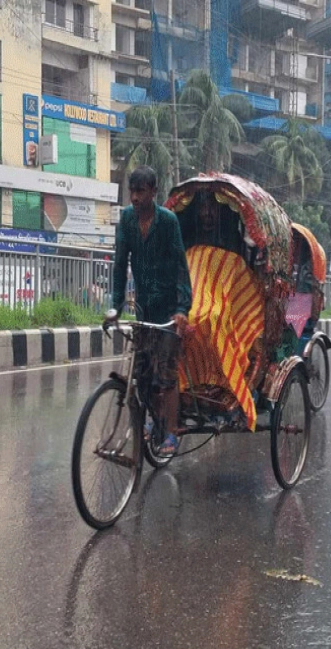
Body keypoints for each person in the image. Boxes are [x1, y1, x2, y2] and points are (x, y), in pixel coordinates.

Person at [109, 165, 192, 457]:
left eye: (140, 191)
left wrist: (182, 308)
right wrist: (115, 306)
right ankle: (148, 420)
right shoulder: (127, 220)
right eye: (131, 191)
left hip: (169, 310)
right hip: (143, 308)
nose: (134, 197)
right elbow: (120, 265)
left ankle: (171, 431)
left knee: (166, 373)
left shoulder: (168, 222)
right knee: (142, 372)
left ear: (153, 192)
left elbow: (182, 267)